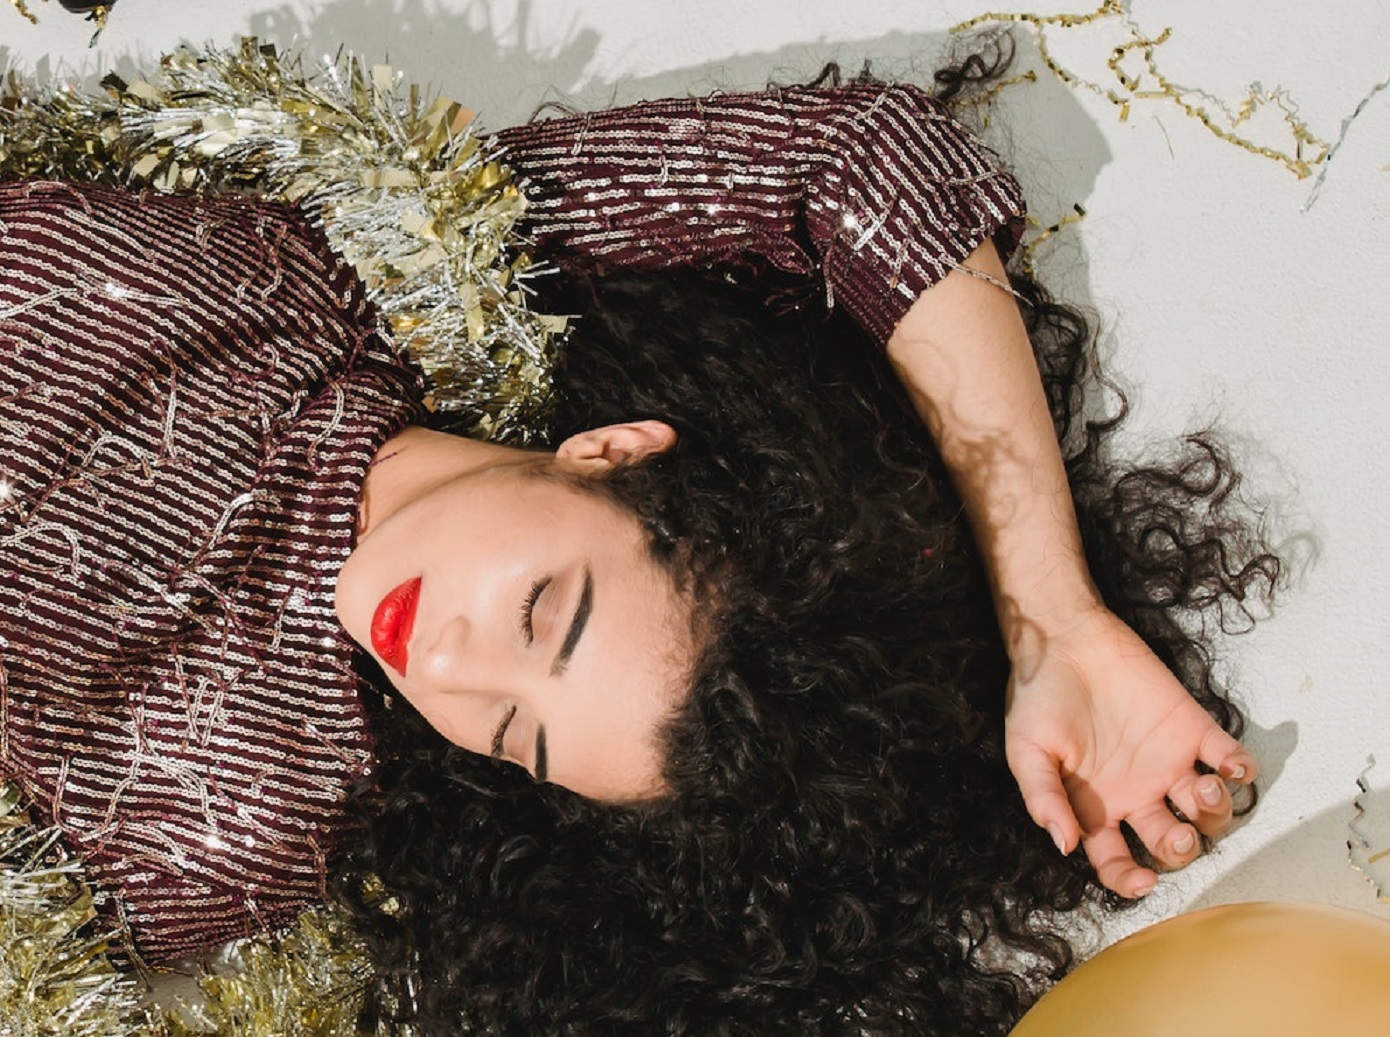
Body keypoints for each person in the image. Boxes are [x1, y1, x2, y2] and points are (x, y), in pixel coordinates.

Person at [0, 51, 1274, 1029]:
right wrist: (1050, 613)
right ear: (612, 451)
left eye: (511, 735)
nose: (446, 664)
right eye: (540, 612)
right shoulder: (399, 269)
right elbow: (857, 164)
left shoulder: (269, 810)